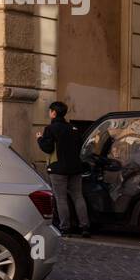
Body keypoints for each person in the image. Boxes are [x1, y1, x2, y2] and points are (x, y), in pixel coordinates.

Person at [36, 100, 90, 237]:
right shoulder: (73, 128)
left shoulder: (51, 129)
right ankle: (85, 227)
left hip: (58, 168)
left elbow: (47, 148)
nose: (49, 113)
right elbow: (80, 146)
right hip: (76, 168)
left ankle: (65, 227)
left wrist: (40, 139)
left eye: (50, 111)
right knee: (78, 197)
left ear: (53, 113)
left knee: (61, 198)